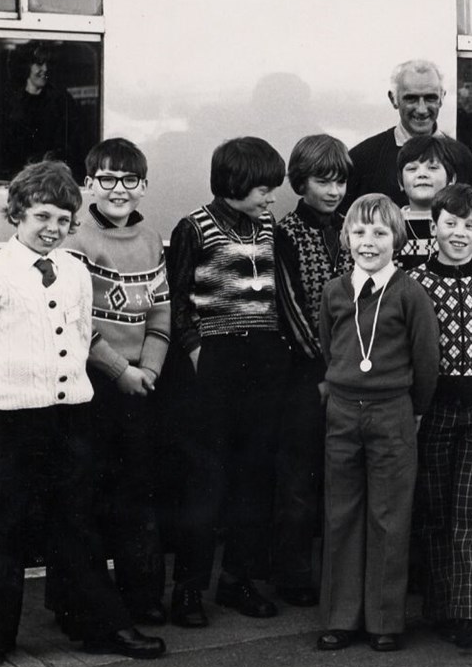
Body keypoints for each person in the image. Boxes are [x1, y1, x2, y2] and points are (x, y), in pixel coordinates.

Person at [0, 161, 164, 663]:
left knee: (77, 524)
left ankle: (98, 626)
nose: (52, 228)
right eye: (41, 216)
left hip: (69, 418)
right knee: (4, 529)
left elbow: (84, 336)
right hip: (11, 421)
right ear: (17, 214)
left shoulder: (73, 270)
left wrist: (119, 373)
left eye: (63, 219)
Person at [167, 137, 290, 627]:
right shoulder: (194, 227)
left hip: (262, 359)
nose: (270, 198)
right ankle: (189, 590)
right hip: (216, 358)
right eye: (263, 188)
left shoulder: (268, 226)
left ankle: (238, 580)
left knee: (253, 476)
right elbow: (176, 301)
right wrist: (198, 352)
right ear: (235, 183)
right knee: (206, 479)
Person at [316, 194, 439, 652]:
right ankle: (341, 617)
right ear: (346, 237)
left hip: (393, 412)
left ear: (398, 239)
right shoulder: (334, 291)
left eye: (380, 233)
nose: (369, 242)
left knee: (389, 515)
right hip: (344, 412)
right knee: (342, 512)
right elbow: (330, 348)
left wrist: (415, 410)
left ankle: (384, 619)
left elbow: (426, 360)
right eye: (360, 232)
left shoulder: (410, 293)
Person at [61, 139, 170, 627]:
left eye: (130, 180)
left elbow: (161, 309)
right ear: (89, 185)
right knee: (85, 496)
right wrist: (118, 371)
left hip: (140, 381)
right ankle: (78, 606)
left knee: (136, 491)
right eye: (107, 179)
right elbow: (76, 321)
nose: (118, 190)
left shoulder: (151, 238)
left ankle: (142, 597)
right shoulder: (75, 239)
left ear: (144, 187)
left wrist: (147, 368)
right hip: (93, 381)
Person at [408, 184, 472, 648]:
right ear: (434, 227)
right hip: (436, 408)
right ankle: (439, 605)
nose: (459, 233)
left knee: (470, 507)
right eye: (450, 223)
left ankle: (469, 614)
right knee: (435, 510)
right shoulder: (415, 285)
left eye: (471, 225)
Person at [273, 135, 354, 607]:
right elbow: (288, 306)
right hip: (304, 374)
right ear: (300, 181)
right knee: (298, 478)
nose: (333, 189)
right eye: (323, 180)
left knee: (339, 475)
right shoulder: (284, 232)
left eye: (340, 180)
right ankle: (293, 574)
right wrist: (321, 367)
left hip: (347, 371)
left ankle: (335, 574)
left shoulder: (350, 228)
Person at [343, 60, 472, 208]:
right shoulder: (363, 158)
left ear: (442, 97)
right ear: (393, 99)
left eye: (430, 98)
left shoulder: (462, 157)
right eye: (411, 98)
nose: (422, 109)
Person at [0, 42, 91, 181]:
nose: (45, 69)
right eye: (39, 64)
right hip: (14, 180)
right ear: (26, 67)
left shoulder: (62, 101)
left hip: (52, 179)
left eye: (47, 63)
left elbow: (75, 143)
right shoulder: (8, 103)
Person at [395, 135, 457, 271]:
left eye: (433, 167)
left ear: (451, 179)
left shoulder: (460, 225)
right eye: (412, 169)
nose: (422, 174)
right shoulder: (389, 225)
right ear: (400, 182)